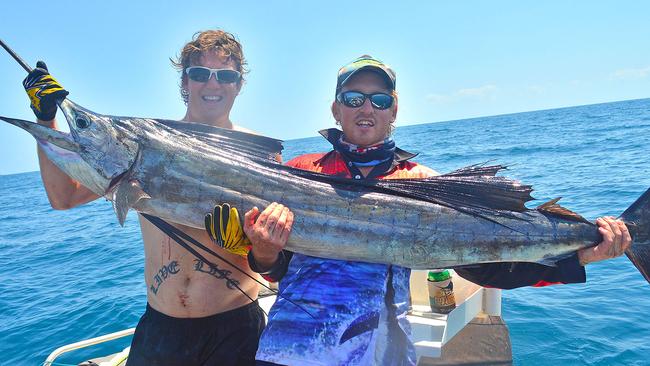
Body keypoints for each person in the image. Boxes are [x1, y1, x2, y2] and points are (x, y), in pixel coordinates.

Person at [220, 55, 631, 365]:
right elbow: (274, 267)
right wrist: (266, 251)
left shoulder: (421, 180)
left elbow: (483, 267)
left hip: (381, 353)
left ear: (394, 111)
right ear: (336, 109)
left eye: (379, 100)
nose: (367, 108)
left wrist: (581, 254)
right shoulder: (298, 172)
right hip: (289, 350)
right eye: (354, 98)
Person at [23, 30, 265, 366]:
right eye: (200, 74)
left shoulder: (257, 152)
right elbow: (63, 197)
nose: (213, 85)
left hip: (235, 327)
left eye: (225, 76)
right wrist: (46, 118)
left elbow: (272, 251)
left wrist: (248, 242)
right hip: (161, 327)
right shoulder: (142, 148)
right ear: (185, 82)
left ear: (238, 84)